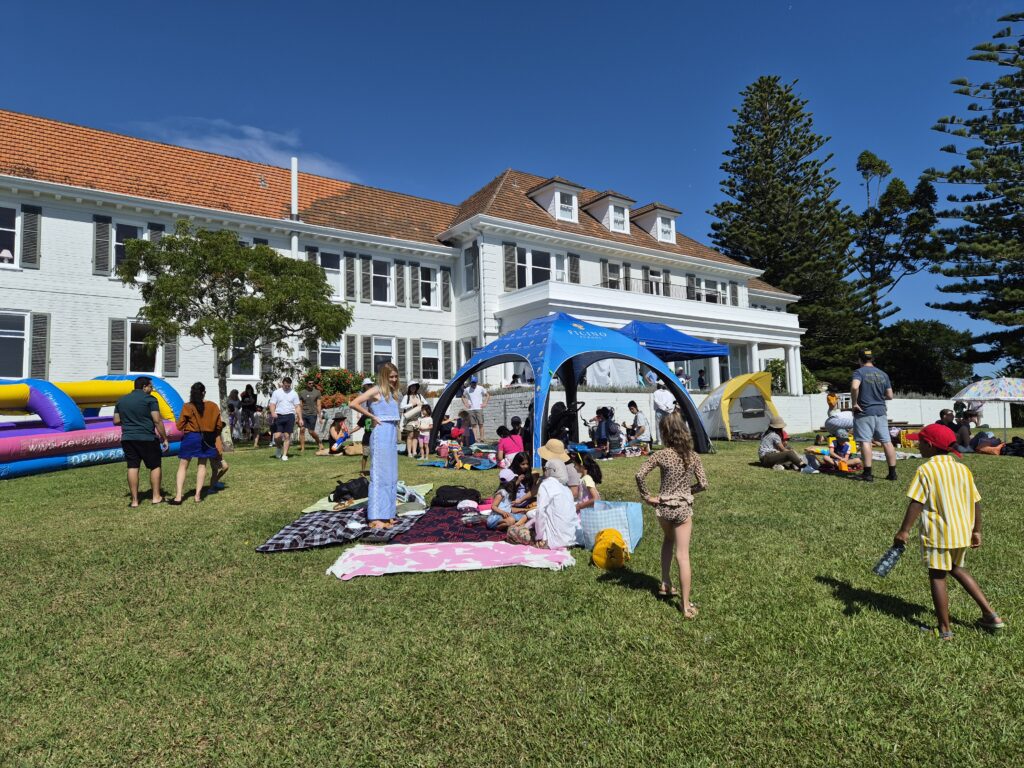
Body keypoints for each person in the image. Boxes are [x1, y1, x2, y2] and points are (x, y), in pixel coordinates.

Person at [891, 424, 1004, 640]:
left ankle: (944, 630)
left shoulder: (926, 469)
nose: (918, 444)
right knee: (956, 568)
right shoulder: (962, 469)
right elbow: (975, 502)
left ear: (931, 446)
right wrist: (977, 531)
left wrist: (904, 531)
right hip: (961, 532)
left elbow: (917, 502)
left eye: (921, 442)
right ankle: (991, 615)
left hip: (938, 533)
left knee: (937, 575)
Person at [635, 411, 708, 619]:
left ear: (665, 433)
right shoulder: (692, 456)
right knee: (682, 554)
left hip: (663, 508)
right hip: (683, 509)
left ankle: (666, 583)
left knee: (668, 540)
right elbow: (703, 484)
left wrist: (647, 496)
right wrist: (687, 493)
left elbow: (639, 474)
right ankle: (685, 606)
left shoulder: (661, 455)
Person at [349, 363, 402, 529]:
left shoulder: (394, 393)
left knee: (391, 475)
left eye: (395, 376)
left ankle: (387, 513)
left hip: (391, 433)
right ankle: (375, 516)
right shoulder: (376, 390)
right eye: (390, 376)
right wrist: (372, 416)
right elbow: (354, 403)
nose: (393, 379)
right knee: (379, 475)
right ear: (384, 376)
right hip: (380, 434)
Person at [113, 376, 169, 507]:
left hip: (128, 438)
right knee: (155, 466)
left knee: (132, 467)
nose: (152, 389)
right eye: (151, 386)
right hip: (147, 438)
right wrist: (165, 438)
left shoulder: (121, 400)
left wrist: (130, 420)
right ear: (144, 387)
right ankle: (156, 497)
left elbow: (116, 420)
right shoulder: (150, 399)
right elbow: (157, 420)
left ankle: (134, 501)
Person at [169, 382, 224, 505]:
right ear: (204, 393)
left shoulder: (188, 407)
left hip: (191, 437)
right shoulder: (213, 406)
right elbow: (219, 425)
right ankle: (198, 495)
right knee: (202, 465)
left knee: (183, 466)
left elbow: (179, 426)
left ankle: (178, 496)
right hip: (207, 438)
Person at [515, 448, 580, 549]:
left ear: (551, 470)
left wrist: (540, 537)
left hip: (552, 541)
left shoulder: (547, 485)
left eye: (545, 469)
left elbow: (541, 512)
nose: (544, 471)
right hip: (570, 539)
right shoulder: (566, 489)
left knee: (512, 531)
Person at [850, 349, 897, 482]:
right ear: (872, 359)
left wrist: (854, 403)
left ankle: (867, 473)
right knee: (887, 442)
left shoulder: (859, 372)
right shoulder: (883, 374)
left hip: (864, 411)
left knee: (865, 441)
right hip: (881, 412)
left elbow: (854, 387)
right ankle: (892, 473)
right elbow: (890, 395)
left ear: (860, 360)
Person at [268, 377, 301, 461]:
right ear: (283, 384)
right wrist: (273, 413)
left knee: (287, 436)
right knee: (277, 436)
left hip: (290, 415)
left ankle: (285, 455)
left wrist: (300, 418)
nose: (287, 387)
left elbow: (297, 406)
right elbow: (272, 404)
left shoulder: (294, 393)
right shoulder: (276, 393)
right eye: (285, 385)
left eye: (288, 386)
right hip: (278, 415)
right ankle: (279, 447)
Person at [400, 381, 425, 458]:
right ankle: (409, 452)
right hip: (409, 419)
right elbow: (402, 406)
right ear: (409, 388)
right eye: (412, 386)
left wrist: (422, 404)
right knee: (410, 436)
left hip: (417, 419)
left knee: (416, 436)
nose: (413, 388)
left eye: (414, 386)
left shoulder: (420, 396)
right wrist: (412, 404)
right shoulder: (406, 397)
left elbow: (426, 404)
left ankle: (414, 452)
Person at [297, 381, 322, 454]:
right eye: (309, 383)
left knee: (311, 431)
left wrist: (320, 417)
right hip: (303, 414)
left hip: (313, 414)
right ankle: (302, 448)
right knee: (302, 429)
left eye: (312, 383)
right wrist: (298, 416)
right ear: (306, 384)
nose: (311, 384)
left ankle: (319, 442)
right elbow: (300, 405)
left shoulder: (317, 392)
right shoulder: (302, 393)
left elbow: (319, 405)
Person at [355, 377, 375, 474]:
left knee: (375, 455)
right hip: (367, 438)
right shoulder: (365, 416)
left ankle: (375, 470)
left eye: (371, 385)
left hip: (376, 437)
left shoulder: (374, 393)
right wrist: (350, 432)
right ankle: (362, 471)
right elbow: (359, 426)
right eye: (368, 385)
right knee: (365, 455)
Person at [462, 376, 490, 441]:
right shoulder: (467, 389)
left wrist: (485, 403)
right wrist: (465, 403)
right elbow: (463, 397)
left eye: (474, 382)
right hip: (471, 409)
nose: (473, 384)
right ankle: (476, 439)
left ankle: (482, 438)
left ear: (477, 382)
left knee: (481, 424)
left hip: (479, 408)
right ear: (470, 382)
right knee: (473, 425)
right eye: (472, 382)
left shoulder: (481, 388)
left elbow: (488, 395)